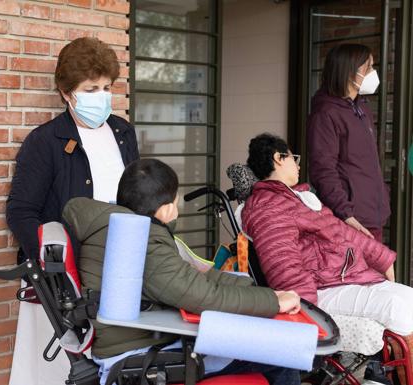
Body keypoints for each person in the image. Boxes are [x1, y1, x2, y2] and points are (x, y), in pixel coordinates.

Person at [63, 159, 303, 385]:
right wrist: (272, 302)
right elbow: (203, 296)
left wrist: (259, 291)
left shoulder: (119, 226)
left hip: (142, 339)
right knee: (282, 356)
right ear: (167, 209)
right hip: (141, 353)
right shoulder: (143, 242)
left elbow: (190, 276)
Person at [6, 37, 139, 385]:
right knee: (61, 373)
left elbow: (136, 198)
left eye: (107, 87)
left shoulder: (123, 132)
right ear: (66, 93)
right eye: (91, 88)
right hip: (64, 283)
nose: (102, 96)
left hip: (118, 272)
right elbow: (21, 212)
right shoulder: (45, 141)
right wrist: (56, 269)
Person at [241, 133, 413, 371]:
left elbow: (343, 232)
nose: (298, 165)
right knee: (401, 307)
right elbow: (285, 266)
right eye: (294, 158)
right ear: (278, 158)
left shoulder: (300, 199)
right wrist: (307, 316)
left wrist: (381, 257)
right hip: (322, 291)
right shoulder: (269, 207)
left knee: (407, 300)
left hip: (343, 279)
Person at [307, 44, 390, 242]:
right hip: (351, 220)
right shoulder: (326, 114)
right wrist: (345, 213)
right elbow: (323, 170)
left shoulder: (361, 109)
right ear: (349, 71)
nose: (373, 73)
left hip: (372, 215)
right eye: (368, 67)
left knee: (377, 273)